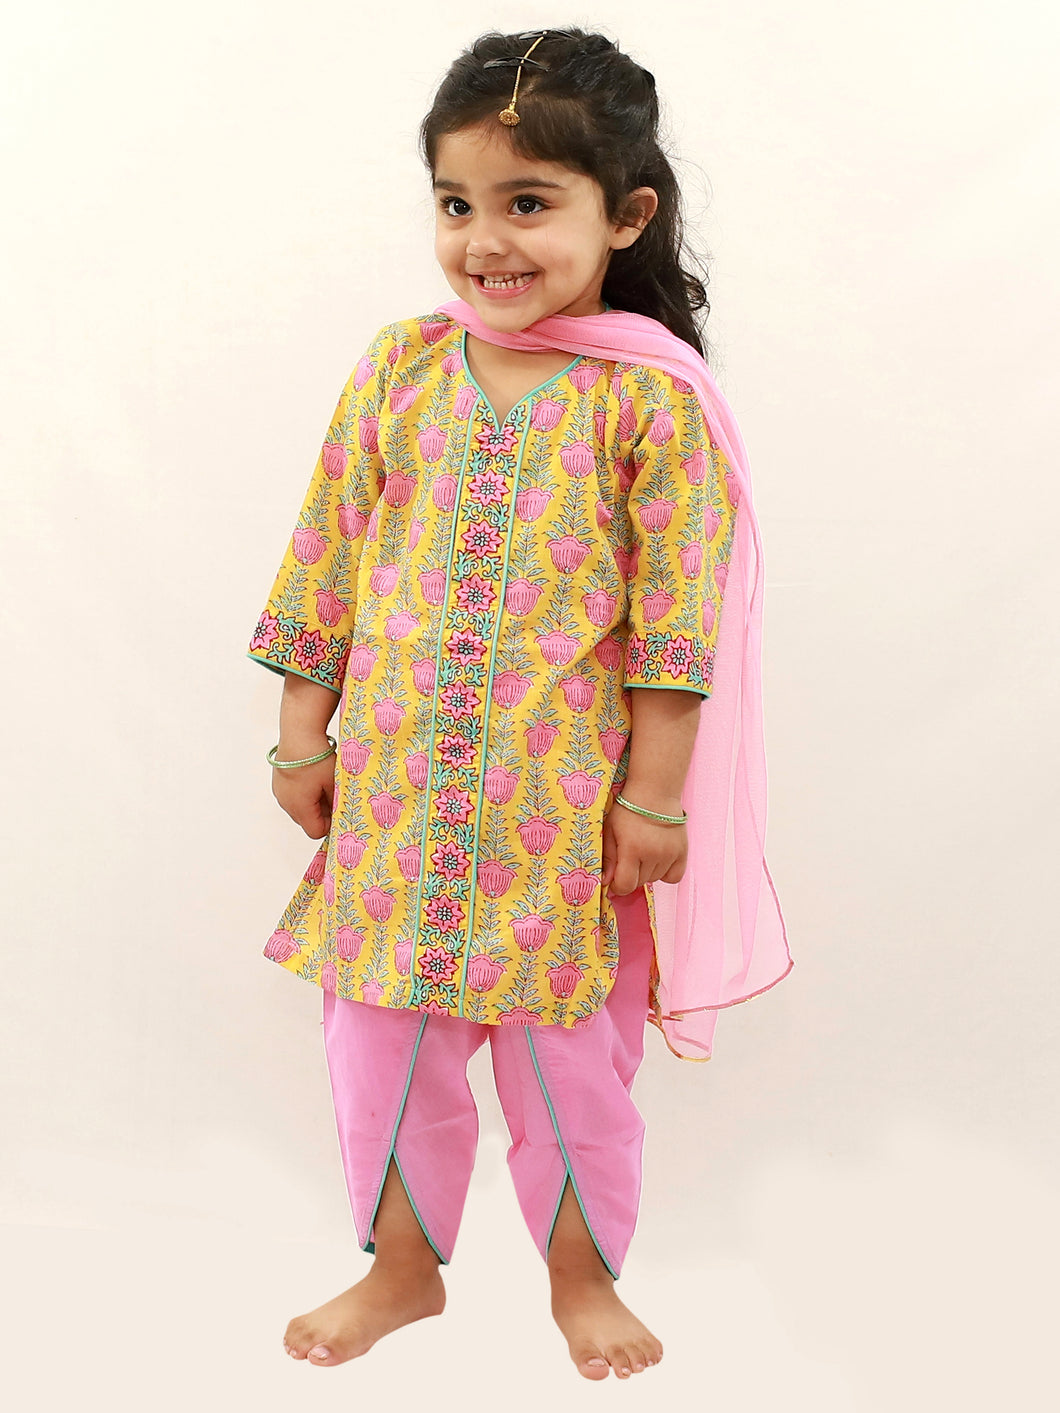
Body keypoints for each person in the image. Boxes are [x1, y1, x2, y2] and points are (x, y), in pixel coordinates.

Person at [246, 26, 793, 1382]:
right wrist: (301, 736)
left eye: (529, 202)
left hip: (561, 823)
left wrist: (653, 799)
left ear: (628, 214)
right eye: (456, 203)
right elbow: (326, 554)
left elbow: (676, 625)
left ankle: (579, 1278)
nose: (485, 240)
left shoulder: (647, 403)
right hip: (396, 809)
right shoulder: (400, 368)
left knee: (570, 1068)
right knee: (380, 1050)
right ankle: (402, 1268)